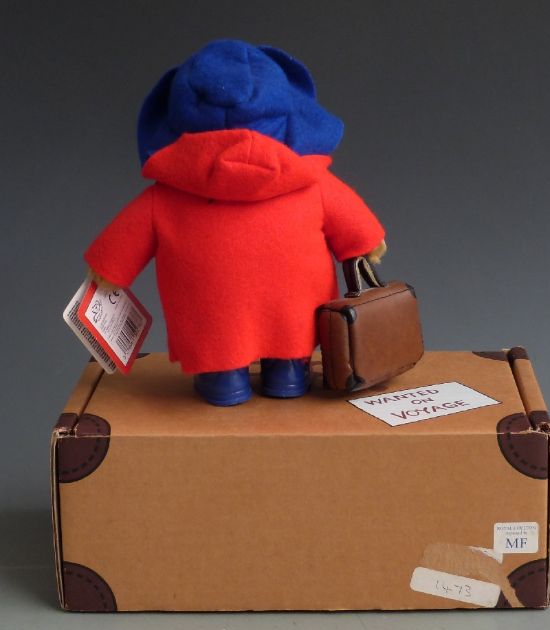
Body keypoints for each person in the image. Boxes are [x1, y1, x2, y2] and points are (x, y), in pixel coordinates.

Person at [85, 40, 387, 406]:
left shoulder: (164, 197)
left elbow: (123, 242)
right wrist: (366, 244)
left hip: (211, 313)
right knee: (293, 332)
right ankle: (289, 373)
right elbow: (358, 228)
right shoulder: (312, 183)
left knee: (218, 342)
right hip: (294, 306)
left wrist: (109, 269)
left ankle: (223, 380)